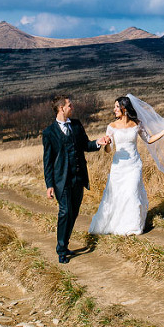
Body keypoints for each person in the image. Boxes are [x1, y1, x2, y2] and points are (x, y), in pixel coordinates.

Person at [88, 96, 164, 236]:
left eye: (117, 107)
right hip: (118, 165)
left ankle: (132, 226)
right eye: (115, 107)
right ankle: (116, 223)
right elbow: (108, 150)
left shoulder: (137, 124)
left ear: (125, 108)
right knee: (117, 194)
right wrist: (107, 143)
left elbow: (149, 139)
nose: (114, 109)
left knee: (132, 192)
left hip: (134, 164)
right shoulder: (111, 126)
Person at [42, 95, 110, 264]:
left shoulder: (77, 125)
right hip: (61, 180)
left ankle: (65, 243)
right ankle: (61, 249)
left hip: (79, 177)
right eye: (69, 105)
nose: (72, 107)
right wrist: (49, 184)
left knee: (74, 212)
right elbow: (47, 161)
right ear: (61, 109)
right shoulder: (49, 133)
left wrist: (98, 143)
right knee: (65, 211)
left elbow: (85, 145)